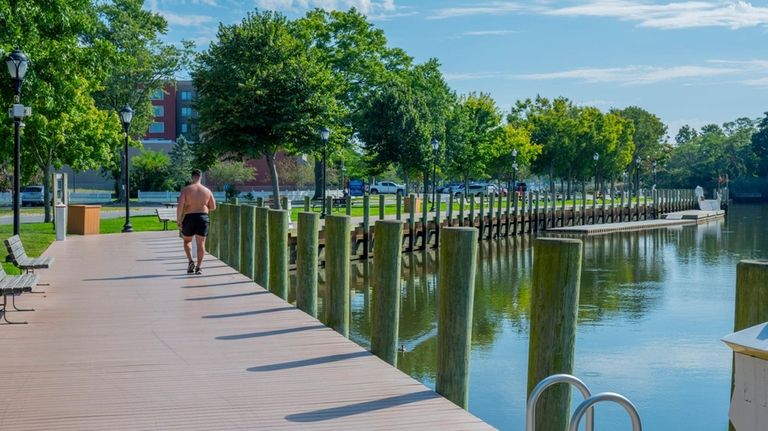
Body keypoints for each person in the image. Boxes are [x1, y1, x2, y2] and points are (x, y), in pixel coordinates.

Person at [177, 169, 216, 274]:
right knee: (201, 243)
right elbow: (213, 207)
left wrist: (179, 219)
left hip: (189, 217)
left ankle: (190, 261)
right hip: (203, 217)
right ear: (201, 177)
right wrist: (203, 206)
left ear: (192, 177)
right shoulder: (207, 191)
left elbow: (180, 206)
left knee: (187, 241)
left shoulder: (186, 190)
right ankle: (198, 267)